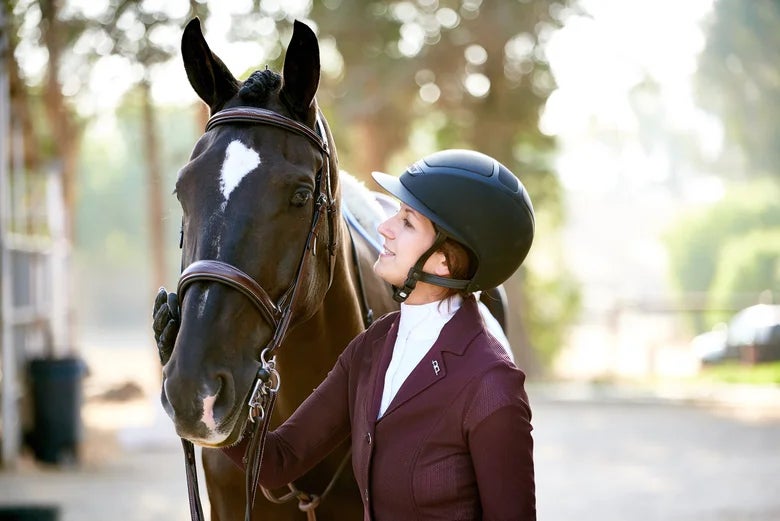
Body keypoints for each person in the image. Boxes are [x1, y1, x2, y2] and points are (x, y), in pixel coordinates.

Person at [153, 149, 537, 520]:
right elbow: (278, 461)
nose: (383, 226)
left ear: (445, 259)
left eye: (406, 222)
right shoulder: (372, 347)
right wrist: (200, 389)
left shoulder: (492, 384)